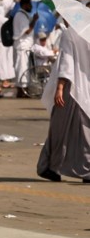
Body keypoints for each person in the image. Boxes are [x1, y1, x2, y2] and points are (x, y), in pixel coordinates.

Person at [36, 27, 90, 183]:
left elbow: (67, 61)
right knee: (83, 128)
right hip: (85, 88)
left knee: (60, 128)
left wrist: (60, 87)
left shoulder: (70, 33)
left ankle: (49, 166)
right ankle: (53, 166)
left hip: (71, 88)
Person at [13, 0, 36, 98]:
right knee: (22, 69)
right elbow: (27, 31)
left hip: (25, 46)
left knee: (23, 68)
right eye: (30, 4)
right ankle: (22, 91)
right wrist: (34, 21)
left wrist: (33, 19)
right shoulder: (20, 15)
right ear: (25, 5)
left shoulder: (24, 15)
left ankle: (22, 90)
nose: (31, 6)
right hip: (22, 46)